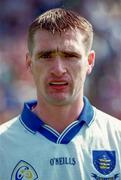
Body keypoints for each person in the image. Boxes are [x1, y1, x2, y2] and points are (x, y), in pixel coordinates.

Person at [0, 8, 121, 180]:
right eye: (46, 56)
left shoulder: (117, 138)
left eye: (70, 55)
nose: (58, 69)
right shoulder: (3, 146)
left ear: (89, 62)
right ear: (29, 63)